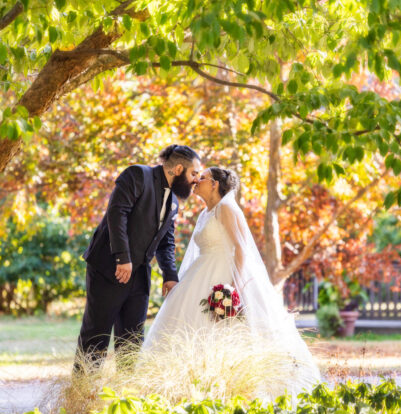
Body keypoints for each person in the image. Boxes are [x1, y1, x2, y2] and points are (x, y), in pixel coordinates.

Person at [143, 166, 319, 398]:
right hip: (200, 275)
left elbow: (240, 248)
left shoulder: (226, 207)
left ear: (215, 183)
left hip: (224, 276)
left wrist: (233, 288)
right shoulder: (207, 212)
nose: (196, 181)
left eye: (202, 178)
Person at [73, 144, 201, 372]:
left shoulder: (173, 200)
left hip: (140, 277)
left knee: (132, 341)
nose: (196, 180)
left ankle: (125, 398)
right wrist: (123, 257)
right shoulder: (137, 174)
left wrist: (170, 276)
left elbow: (166, 241)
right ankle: (83, 397)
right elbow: (117, 213)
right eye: (194, 173)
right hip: (108, 268)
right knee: (96, 336)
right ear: (179, 168)